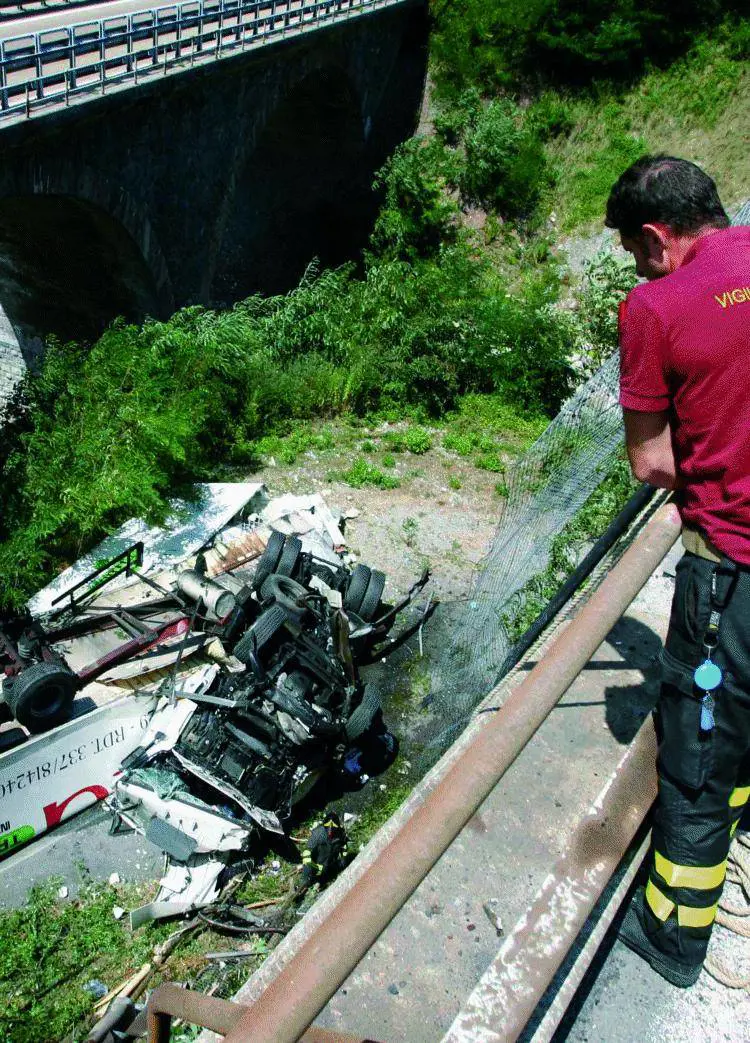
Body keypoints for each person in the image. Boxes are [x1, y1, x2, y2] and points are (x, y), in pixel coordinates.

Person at [605, 154, 750, 987]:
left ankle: (672, 935)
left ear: (657, 237)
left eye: (633, 251)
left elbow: (652, 461)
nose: (634, 266)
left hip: (732, 566)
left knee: (698, 746)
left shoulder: (655, 306)